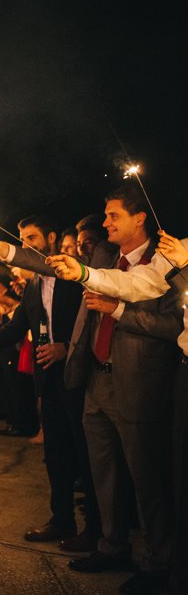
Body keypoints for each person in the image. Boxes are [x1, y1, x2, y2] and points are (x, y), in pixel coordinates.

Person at [0, 215, 100, 551]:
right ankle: (61, 520)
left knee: (86, 455)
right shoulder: (33, 286)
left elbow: (93, 325)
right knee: (55, 454)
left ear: (52, 238)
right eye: (21, 238)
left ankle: (96, 530)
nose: (27, 243)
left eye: (32, 237)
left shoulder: (75, 275)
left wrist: (66, 348)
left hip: (80, 377)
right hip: (49, 378)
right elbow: (14, 331)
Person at [48, 232, 188, 595]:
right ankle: (114, 548)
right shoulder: (118, 259)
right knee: (105, 473)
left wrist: (118, 310)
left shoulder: (175, 258)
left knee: (149, 478)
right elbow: (134, 282)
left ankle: (160, 563)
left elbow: (173, 324)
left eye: (114, 215)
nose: (106, 224)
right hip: (99, 378)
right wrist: (81, 271)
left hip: (141, 385)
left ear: (139, 218)